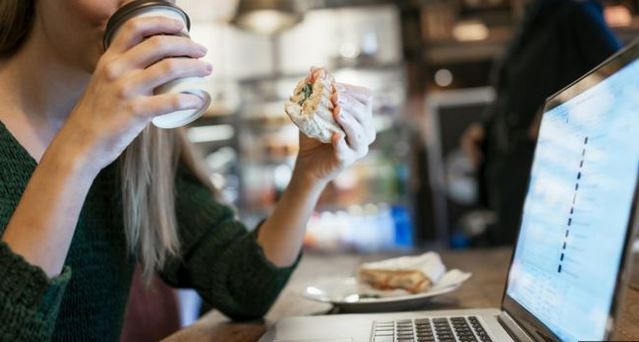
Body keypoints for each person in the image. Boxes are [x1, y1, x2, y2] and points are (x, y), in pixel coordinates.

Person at [0, 0, 376, 340]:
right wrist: (78, 150)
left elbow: (242, 285)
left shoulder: (141, 141)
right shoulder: (102, 136)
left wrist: (308, 176)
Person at [461, 0, 621, 245]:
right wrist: (484, 127)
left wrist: (561, 107)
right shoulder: (531, 19)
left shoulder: (574, 9)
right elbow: (510, 92)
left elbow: (618, 70)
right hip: (511, 173)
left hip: (550, 175)